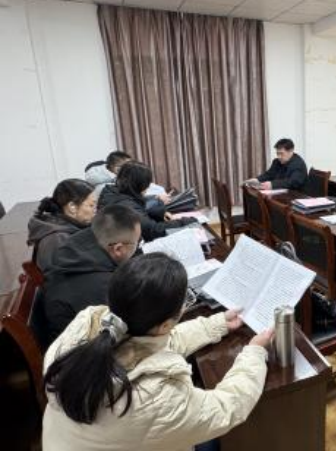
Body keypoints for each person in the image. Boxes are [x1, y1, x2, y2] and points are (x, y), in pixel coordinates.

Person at [42, 253, 273, 451]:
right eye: (185, 301)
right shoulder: (154, 398)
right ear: (164, 324)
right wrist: (254, 352)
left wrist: (217, 324)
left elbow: (157, 343)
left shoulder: (88, 328)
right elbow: (225, 409)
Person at [40, 205, 141, 348]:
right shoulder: (103, 287)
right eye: (137, 242)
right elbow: (127, 332)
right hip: (79, 353)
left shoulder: (76, 244)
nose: (138, 248)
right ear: (118, 249)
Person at [98, 161, 197, 242]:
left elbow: (138, 204)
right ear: (139, 184)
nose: (148, 186)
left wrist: (160, 212)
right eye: (147, 183)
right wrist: (187, 221)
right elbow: (153, 231)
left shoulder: (112, 191)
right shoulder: (126, 206)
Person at [28, 180, 96, 274]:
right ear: (72, 207)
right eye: (91, 205)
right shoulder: (58, 239)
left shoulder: (61, 226)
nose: (95, 210)